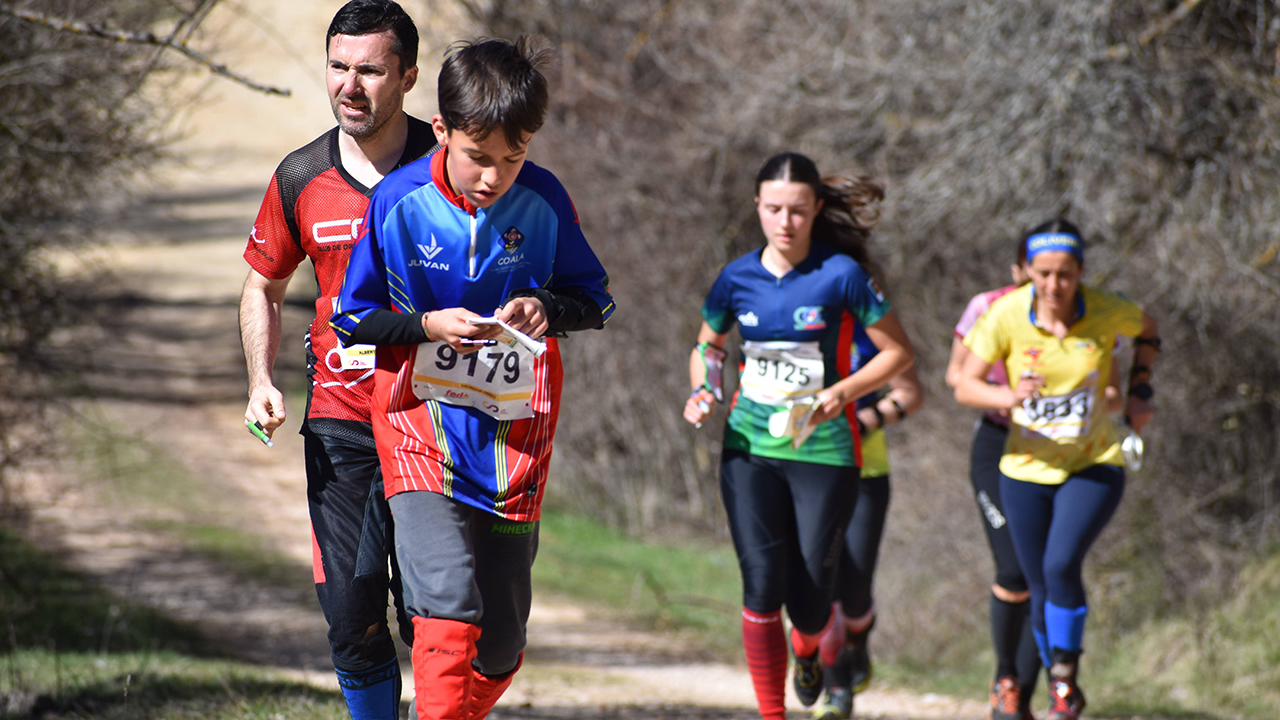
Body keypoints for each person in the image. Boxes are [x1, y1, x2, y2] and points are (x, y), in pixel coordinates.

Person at [330, 36, 614, 720]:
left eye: (512, 160)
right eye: (478, 158)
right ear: (442, 131)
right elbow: (354, 318)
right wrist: (429, 327)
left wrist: (544, 306)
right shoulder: (397, 202)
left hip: (516, 441)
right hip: (417, 427)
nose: (493, 177)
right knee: (446, 603)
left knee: (500, 641)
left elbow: (594, 299)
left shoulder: (545, 200)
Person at [238, 2, 434, 718]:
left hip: (434, 425)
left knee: (433, 619)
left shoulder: (447, 168)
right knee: (351, 618)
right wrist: (260, 379)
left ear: (409, 76)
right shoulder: (301, 177)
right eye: (338, 67)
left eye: (370, 71)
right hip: (341, 424)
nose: (349, 86)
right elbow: (262, 285)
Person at [683, 153, 914, 720]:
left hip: (825, 451)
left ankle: (808, 648)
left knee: (810, 605)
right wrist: (705, 390)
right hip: (750, 449)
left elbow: (898, 354)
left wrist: (842, 393)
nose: (785, 222)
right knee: (761, 586)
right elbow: (708, 347)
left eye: (797, 211)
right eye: (773, 209)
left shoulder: (842, 276)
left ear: (814, 211)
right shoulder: (737, 277)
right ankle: (772, 714)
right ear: (758, 208)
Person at [953, 220, 1160, 720]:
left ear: (1081, 272)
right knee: (1034, 582)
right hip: (1025, 466)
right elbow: (962, 385)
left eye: (1064, 274)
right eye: (1042, 273)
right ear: (1025, 271)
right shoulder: (1004, 314)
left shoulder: (1109, 309)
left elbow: (1148, 329)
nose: (1052, 286)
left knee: (1060, 565)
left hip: (1093, 463)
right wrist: (1008, 397)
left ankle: (1063, 681)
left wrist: (1140, 389)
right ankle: (1056, 688)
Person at [813, 359, 923, 720]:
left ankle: (857, 642)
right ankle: (836, 686)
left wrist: (866, 421)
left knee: (856, 590)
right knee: (822, 584)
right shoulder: (794, 323)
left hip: (866, 470)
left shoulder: (873, 329)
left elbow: (909, 394)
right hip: (806, 469)